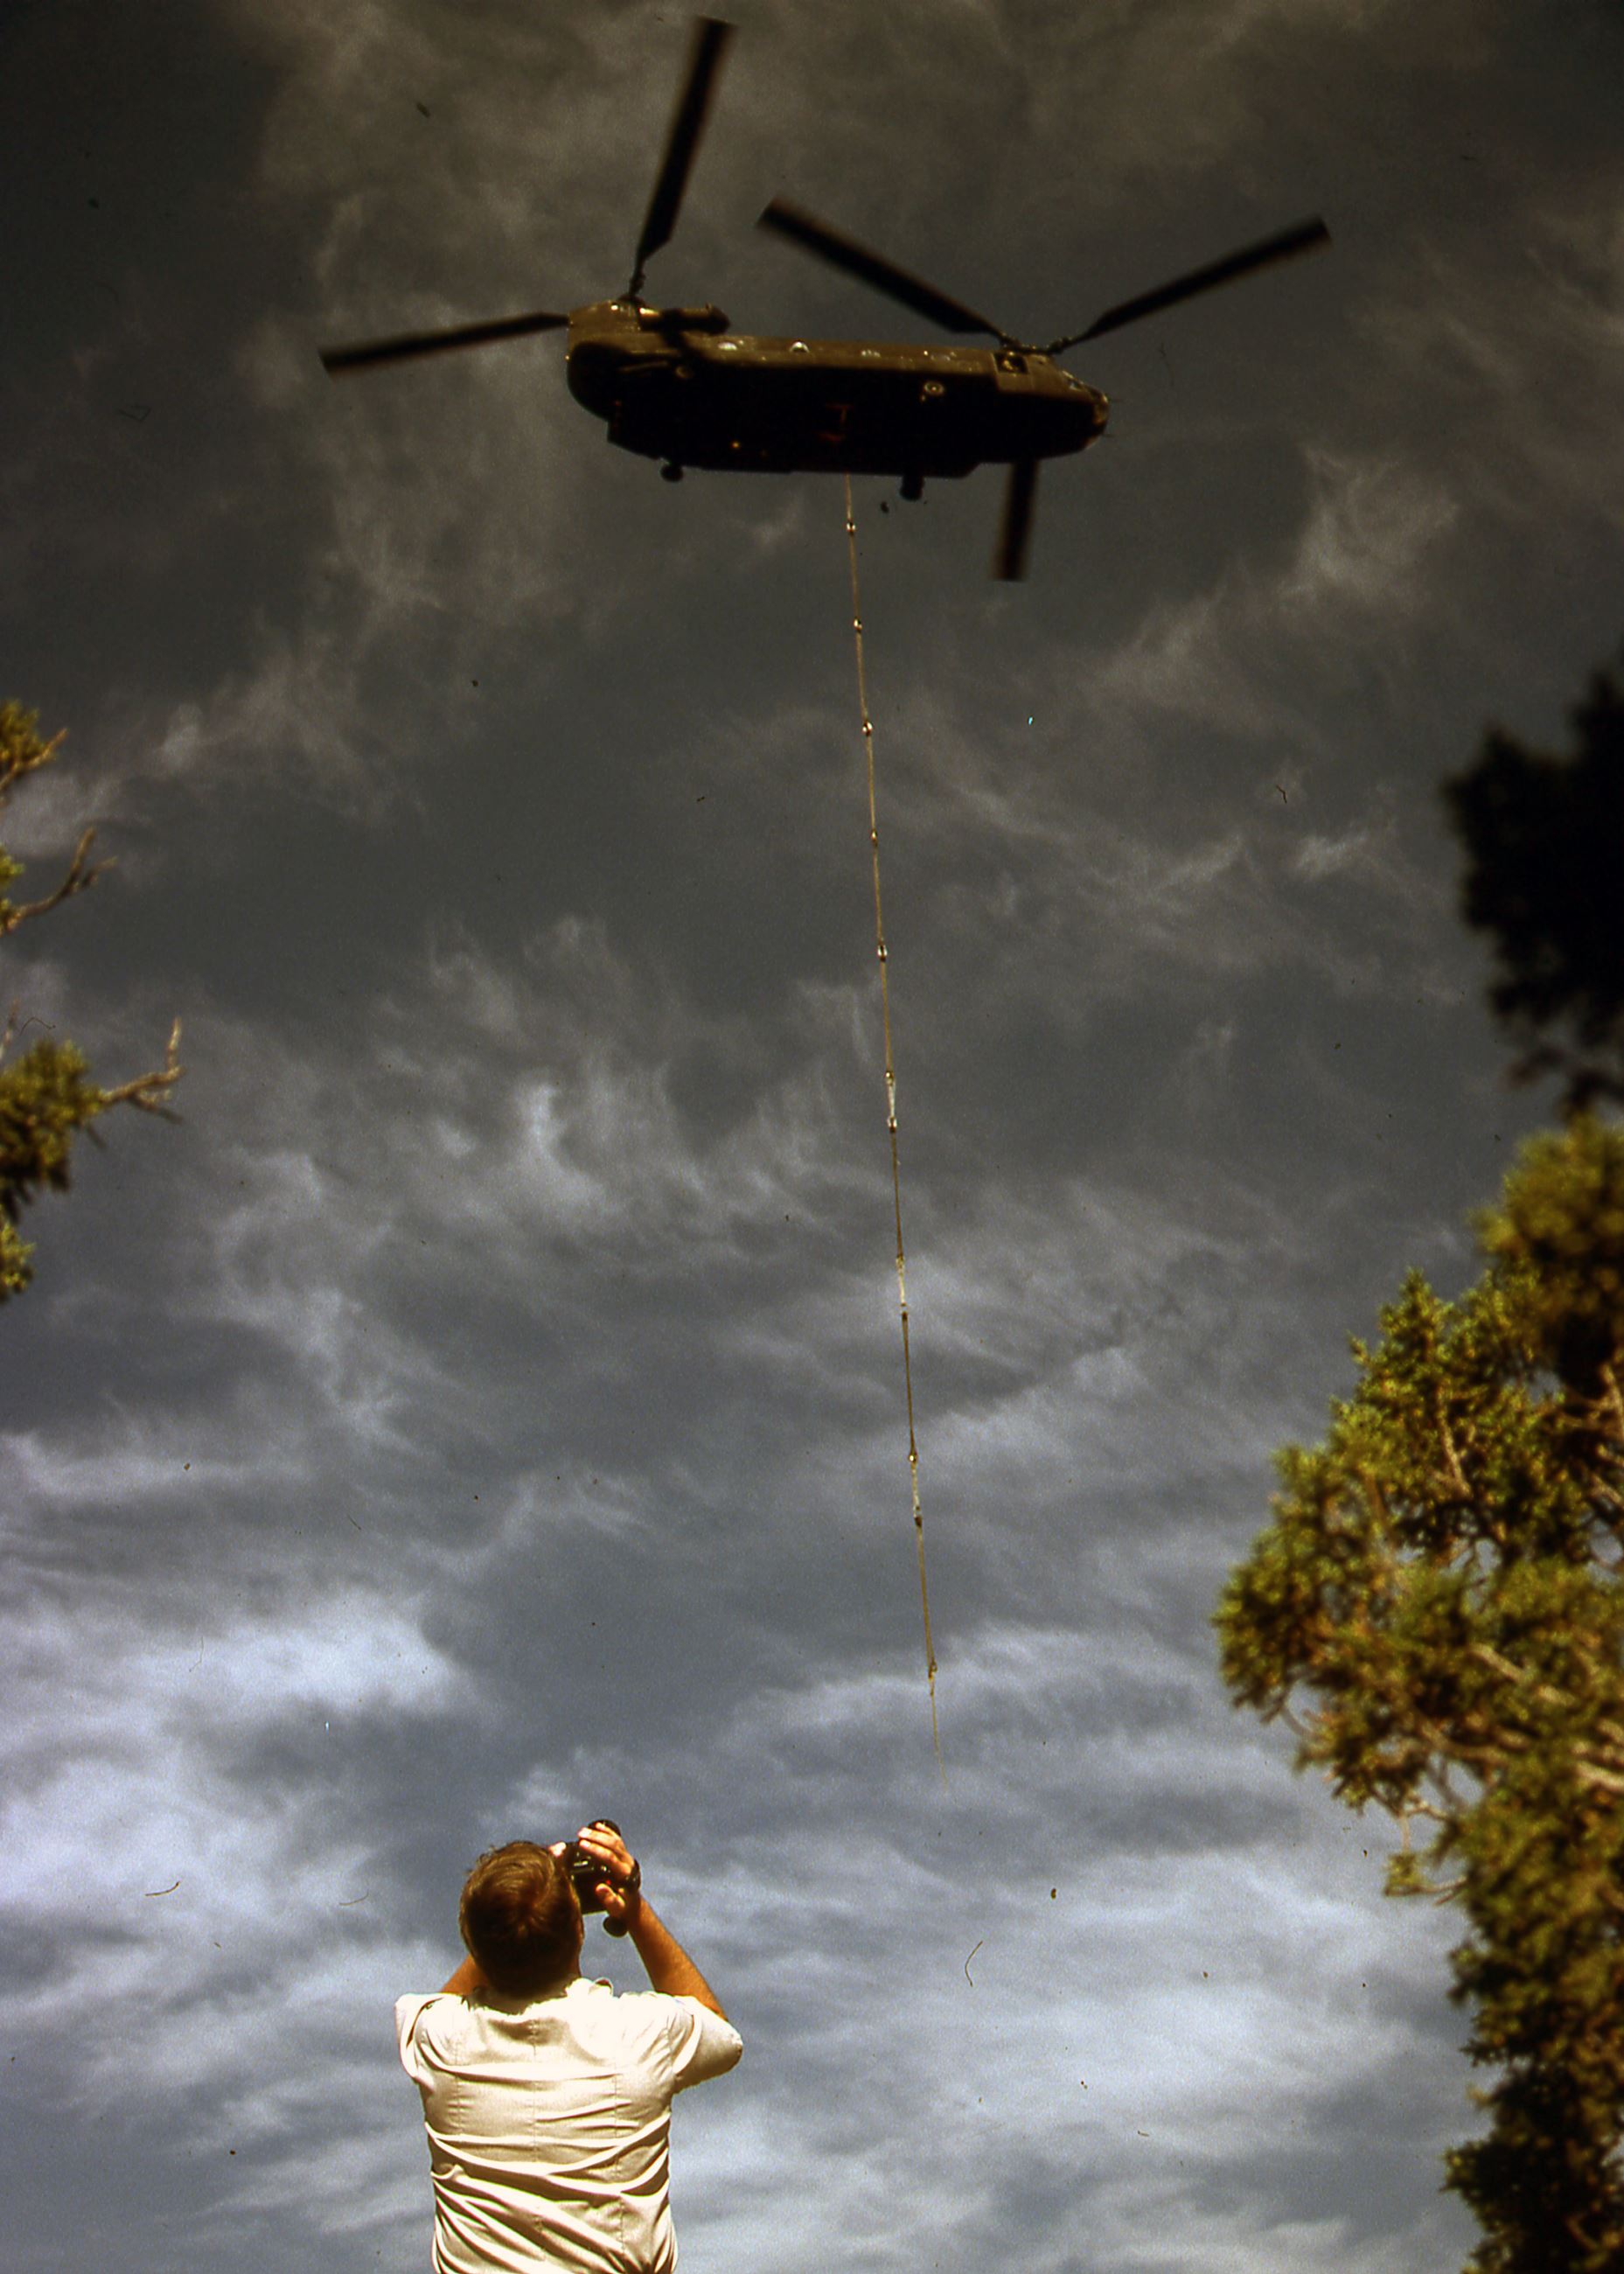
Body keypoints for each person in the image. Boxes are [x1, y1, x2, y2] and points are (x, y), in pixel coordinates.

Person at [396, 1821, 742, 2274]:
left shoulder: (439, 2039)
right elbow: (718, 2032)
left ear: (477, 1944)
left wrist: (515, 1907)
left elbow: (448, 1995)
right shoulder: (640, 2033)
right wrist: (633, 1909)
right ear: (579, 1930)